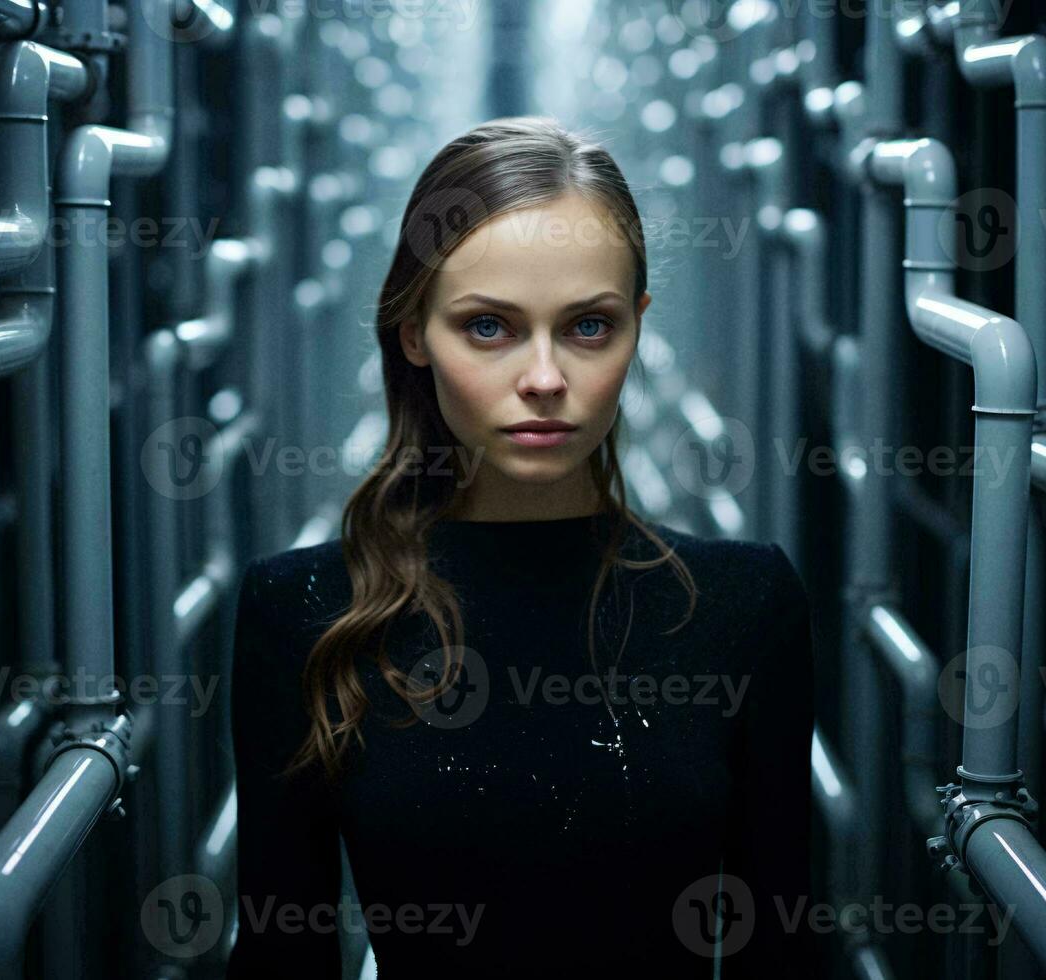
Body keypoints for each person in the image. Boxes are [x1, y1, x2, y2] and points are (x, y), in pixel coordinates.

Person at [226, 116, 817, 978]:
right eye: (490, 328)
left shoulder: (744, 604)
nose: (544, 379)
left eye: (587, 327)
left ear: (637, 327)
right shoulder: (304, 614)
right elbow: (284, 958)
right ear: (413, 333)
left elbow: (784, 955)